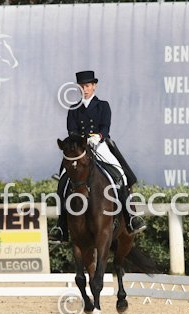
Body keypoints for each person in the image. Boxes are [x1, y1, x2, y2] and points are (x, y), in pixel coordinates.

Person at [50, 70, 146, 243]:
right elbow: (71, 130)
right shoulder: (73, 108)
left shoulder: (103, 105)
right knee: (63, 181)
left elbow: (105, 127)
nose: (84, 89)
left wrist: (98, 137)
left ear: (94, 86)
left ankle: (131, 217)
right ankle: (61, 226)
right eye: (81, 86)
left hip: (99, 145)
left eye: (87, 86)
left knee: (121, 175)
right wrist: (81, 141)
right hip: (80, 149)